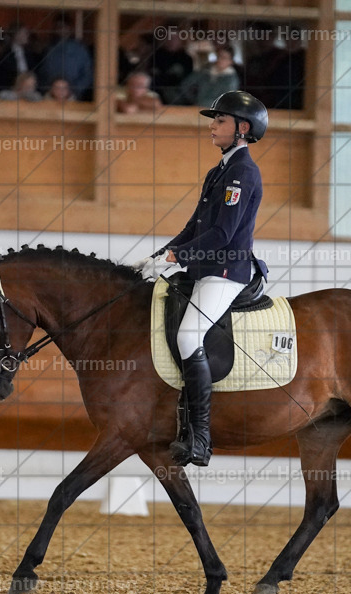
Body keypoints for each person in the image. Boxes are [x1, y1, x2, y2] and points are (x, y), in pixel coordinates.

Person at [133, 91, 269, 467]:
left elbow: (223, 234)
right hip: (205, 267)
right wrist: (162, 254)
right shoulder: (219, 171)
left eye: (220, 121)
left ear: (243, 129)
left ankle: (200, 436)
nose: (212, 126)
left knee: (188, 335)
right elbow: (195, 226)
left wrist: (179, 256)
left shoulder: (242, 172)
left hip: (226, 271)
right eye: (214, 120)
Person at [37, 15, 93, 101]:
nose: (59, 30)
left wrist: (74, 90)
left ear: (69, 28)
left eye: (62, 26)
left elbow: (87, 74)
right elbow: (42, 72)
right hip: (50, 97)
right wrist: (48, 90)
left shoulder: (80, 49)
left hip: (73, 97)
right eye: (57, 27)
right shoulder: (48, 48)